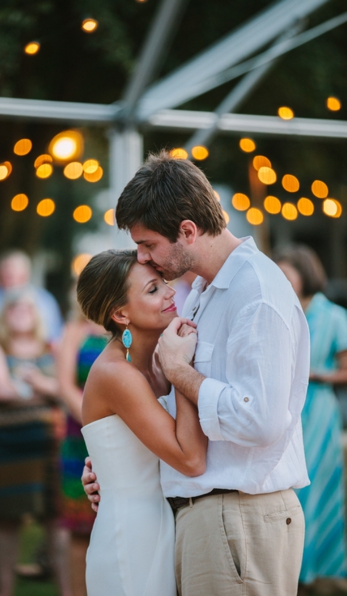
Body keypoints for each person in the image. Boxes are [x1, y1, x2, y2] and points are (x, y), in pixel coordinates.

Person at [83, 152, 309, 595]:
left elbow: (259, 420)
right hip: (206, 518)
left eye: (148, 245)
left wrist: (180, 372)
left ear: (187, 230)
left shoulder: (255, 294)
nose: (145, 257)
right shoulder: (204, 293)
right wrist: (120, 462)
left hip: (238, 516)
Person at [75, 250, 206, 595]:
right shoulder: (116, 374)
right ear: (120, 313)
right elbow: (190, 458)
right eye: (152, 290)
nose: (170, 292)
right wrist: (182, 370)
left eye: (163, 283)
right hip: (134, 537)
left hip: (172, 523)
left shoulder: (161, 363)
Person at [0, 289, 70, 596]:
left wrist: (38, 383)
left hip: (49, 443)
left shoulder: (53, 347)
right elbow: (2, 391)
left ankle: (66, 590)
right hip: (7, 445)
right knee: (6, 520)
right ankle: (4, 591)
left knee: (56, 518)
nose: (21, 313)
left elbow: (67, 388)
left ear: (37, 314)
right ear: (5, 315)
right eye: (14, 308)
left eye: (27, 308)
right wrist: (48, 390)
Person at [276, 245, 347, 588]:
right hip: (285, 410)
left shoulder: (333, 315)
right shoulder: (279, 311)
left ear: (305, 275)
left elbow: (345, 371)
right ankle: (291, 570)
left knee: (317, 487)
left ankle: (317, 570)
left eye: (287, 275)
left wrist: (315, 375)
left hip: (318, 412)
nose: (282, 281)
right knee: (289, 491)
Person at [54, 314, 108, 596]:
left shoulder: (128, 326)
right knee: (80, 528)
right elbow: (64, 384)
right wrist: (97, 423)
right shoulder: (76, 330)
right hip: (80, 437)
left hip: (127, 433)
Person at [0, 250, 64, 354]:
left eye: (15, 275)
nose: (11, 280)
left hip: (39, 356)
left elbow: (56, 335)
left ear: (26, 275)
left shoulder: (45, 300)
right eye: (7, 275)